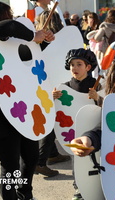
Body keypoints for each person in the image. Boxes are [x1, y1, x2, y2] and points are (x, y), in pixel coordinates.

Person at [0, 1, 54, 199]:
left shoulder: (10, 41)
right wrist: (32, 34)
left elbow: (28, 57)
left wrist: (42, 40)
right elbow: (9, 26)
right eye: (6, 15)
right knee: (9, 165)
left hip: (25, 107)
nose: (10, 19)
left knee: (31, 156)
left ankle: (24, 193)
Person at [53, 48, 101, 200]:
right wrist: (53, 98)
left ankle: (97, 185)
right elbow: (56, 109)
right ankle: (78, 187)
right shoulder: (65, 87)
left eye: (79, 64)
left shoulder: (97, 85)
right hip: (73, 131)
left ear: (88, 67)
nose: (75, 68)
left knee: (96, 158)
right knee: (77, 160)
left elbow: (107, 106)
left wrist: (98, 97)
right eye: (72, 64)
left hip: (94, 129)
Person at [34, 10, 71, 177]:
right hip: (49, 86)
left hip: (44, 85)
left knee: (52, 119)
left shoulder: (36, 40)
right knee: (50, 123)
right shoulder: (49, 41)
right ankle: (40, 162)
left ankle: (52, 154)